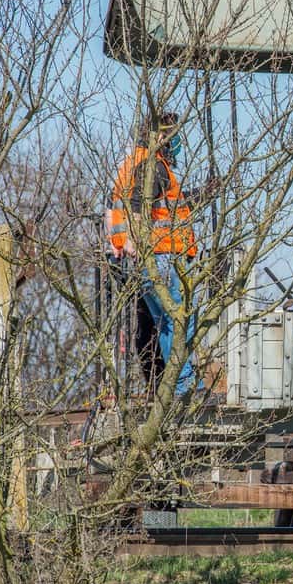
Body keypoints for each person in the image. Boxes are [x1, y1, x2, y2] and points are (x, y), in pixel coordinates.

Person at [107, 112, 200, 394]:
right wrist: (137, 243)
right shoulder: (152, 166)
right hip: (160, 255)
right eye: (172, 136)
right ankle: (183, 385)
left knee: (164, 323)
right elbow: (138, 205)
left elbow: (151, 209)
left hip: (143, 258)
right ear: (160, 136)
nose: (176, 143)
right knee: (179, 319)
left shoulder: (132, 164)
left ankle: (176, 383)